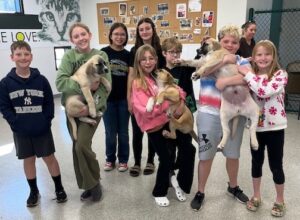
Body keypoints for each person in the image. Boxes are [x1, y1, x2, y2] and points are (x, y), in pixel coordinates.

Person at [190, 25, 251, 211]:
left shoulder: (240, 60)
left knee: (233, 155)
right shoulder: (207, 57)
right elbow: (203, 71)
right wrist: (224, 60)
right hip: (209, 113)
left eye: (234, 42)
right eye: (226, 41)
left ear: (239, 44)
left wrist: (230, 74)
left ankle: (233, 187)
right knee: (206, 155)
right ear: (219, 42)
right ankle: (200, 191)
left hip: (234, 114)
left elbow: (249, 78)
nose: (230, 45)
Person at [0, 41, 67, 207]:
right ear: (12, 57)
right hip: (21, 130)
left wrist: (46, 120)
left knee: (49, 158)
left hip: (41, 128)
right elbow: (4, 106)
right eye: (18, 54)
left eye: (26, 54)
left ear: (31, 56)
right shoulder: (5, 83)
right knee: (28, 160)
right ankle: (33, 191)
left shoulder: (41, 80)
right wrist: (14, 123)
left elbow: (49, 103)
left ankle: (59, 188)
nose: (23, 58)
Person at [55, 23, 111, 202]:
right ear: (72, 40)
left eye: (83, 34)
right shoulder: (69, 56)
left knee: (81, 145)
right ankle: (87, 184)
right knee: (76, 148)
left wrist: (90, 106)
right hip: (73, 108)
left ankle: (94, 182)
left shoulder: (100, 55)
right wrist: (83, 84)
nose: (81, 38)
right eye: (76, 36)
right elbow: (60, 83)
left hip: (93, 109)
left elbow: (105, 85)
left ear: (90, 34)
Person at [237, 40, 288, 217]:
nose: (263, 58)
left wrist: (248, 75)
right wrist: (242, 63)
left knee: (276, 165)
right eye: (259, 54)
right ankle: (256, 195)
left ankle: (280, 200)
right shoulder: (251, 74)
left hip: (275, 129)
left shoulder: (280, 75)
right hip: (256, 130)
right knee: (256, 163)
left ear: (273, 56)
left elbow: (264, 91)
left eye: (267, 54)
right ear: (254, 57)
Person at [130, 44, 185, 207]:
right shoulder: (138, 82)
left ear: (156, 59)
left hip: (167, 122)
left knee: (172, 153)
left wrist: (180, 99)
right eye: (144, 59)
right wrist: (167, 104)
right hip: (154, 126)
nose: (148, 62)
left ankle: (171, 177)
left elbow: (178, 90)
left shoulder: (158, 75)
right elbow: (144, 110)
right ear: (138, 62)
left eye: (151, 58)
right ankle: (159, 191)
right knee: (166, 157)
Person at [127, 17, 166, 177]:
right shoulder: (133, 50)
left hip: (155, 94)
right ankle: (136, 162)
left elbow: (163, 73)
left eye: (147, 28)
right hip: (139, 93)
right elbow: (131, 75)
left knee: (153, 129)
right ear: (138, 32)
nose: (144, 32)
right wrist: (129, 99)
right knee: (137, 131)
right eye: (141, 29)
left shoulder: (160, 48)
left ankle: (150, 160)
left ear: (153, 30)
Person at [161, 37, 196, 201]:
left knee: (187, 148)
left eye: (178, 52)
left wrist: (203, 47)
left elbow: (200, 63)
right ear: (164, 53)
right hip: (166, 116)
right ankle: (169, 176)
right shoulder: (160, 72)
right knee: (168, 149)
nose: (175, 55)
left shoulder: (185, 68)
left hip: (185, 113)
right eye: (171, 52)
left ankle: (183, 182)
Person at [101, 23, 130, 172]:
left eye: (122, 34)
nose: (119, 37)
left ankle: (123, 160)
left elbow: (131, 78)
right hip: (108, 100)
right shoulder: (103, 53)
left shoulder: (128, 55)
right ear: (111, 35)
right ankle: (110, 159)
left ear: (126, 37)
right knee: (110, 132)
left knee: (123, 132)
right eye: (116, 34)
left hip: (124, 100)